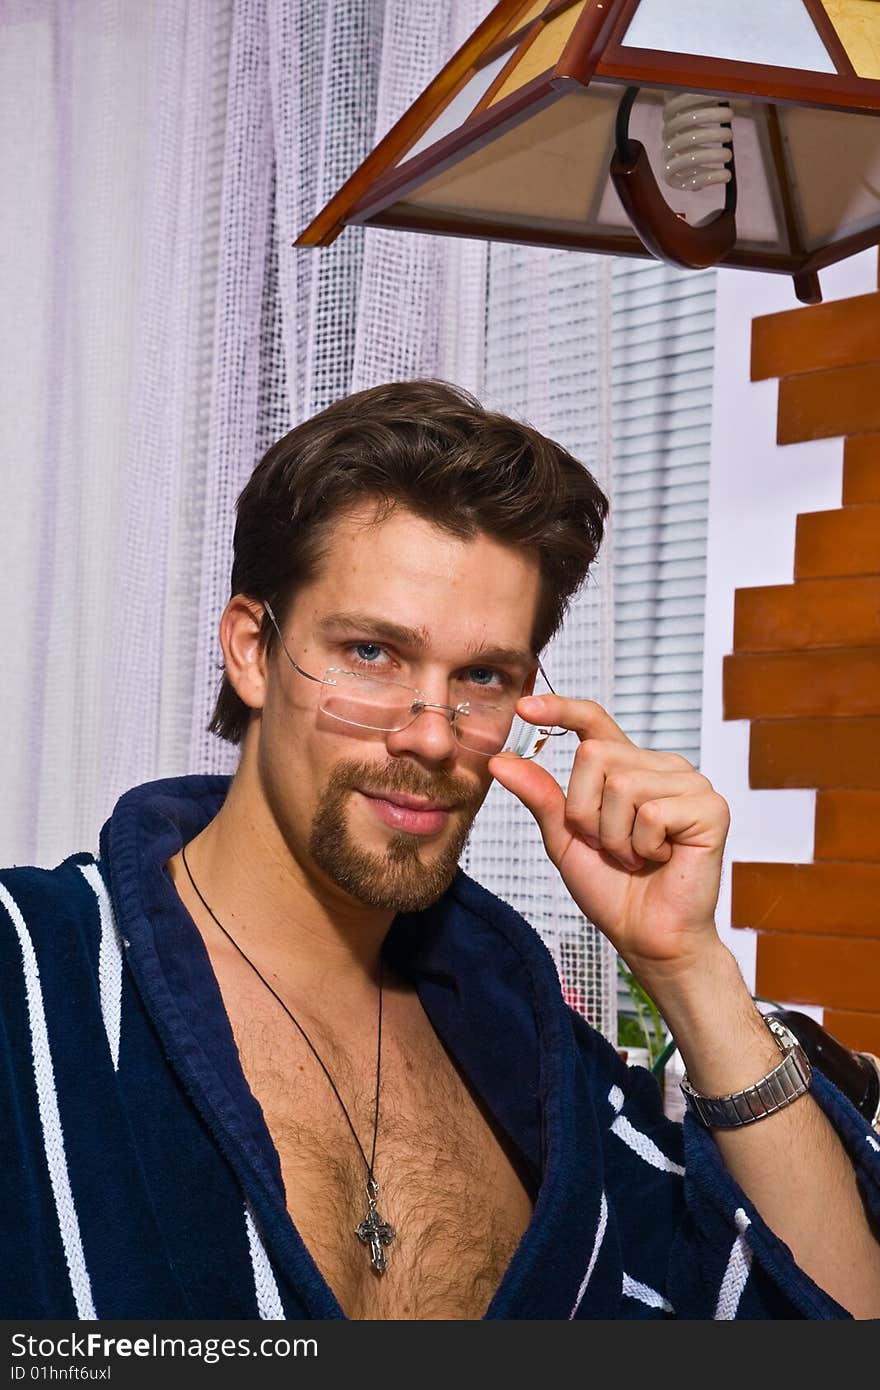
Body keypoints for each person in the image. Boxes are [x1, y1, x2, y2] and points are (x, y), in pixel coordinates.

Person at [2, 380, 879, 1322]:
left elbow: (837, 1317)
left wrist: (687, 964)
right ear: (254, 651)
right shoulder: (30, 970)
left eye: (482, 675)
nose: (431, 735)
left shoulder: (531, 1054)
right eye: (372, 654)